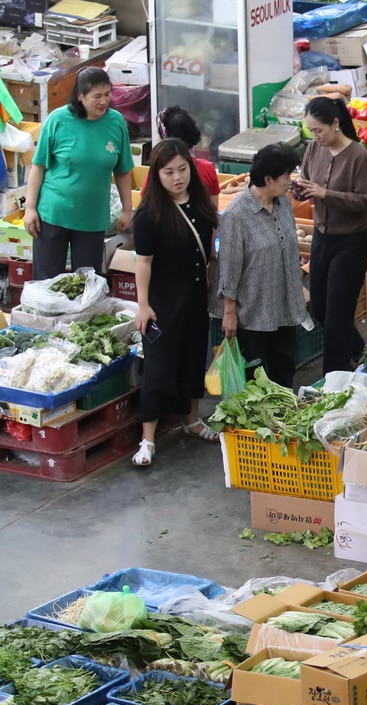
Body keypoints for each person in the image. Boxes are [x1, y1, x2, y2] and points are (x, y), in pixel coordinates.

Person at [129, 140, 220, 466]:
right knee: (160, 366)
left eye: (183, 169)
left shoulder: (200, 207)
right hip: (163, 302)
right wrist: (143, 304)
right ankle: (148, 439)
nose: (178, 177)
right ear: (157, 174)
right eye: (169, 172)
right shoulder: (149, 215)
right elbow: (144, 263)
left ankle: (192, 420)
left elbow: (209, 251)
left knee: (193, 358)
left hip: (195, 297)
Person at [26, 67, 134, 280]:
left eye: (107, 94)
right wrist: (30, 208)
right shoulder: (58, 120)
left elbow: (123, 171)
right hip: (53, 215)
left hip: (92, 220)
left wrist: (127, 209)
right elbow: (38, 166)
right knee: (46, 283)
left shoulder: (116, 122)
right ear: (80, 96)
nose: (103, 101)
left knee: (87, 283)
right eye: (96, 96)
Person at [296, 97, 367, 375]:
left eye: (319, 130)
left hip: (350, 242)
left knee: (338, 315)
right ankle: (358, 350)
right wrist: (302, 190)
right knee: (319, 306)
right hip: (320, 237)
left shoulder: (358, 156)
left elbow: (365, 202)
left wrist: (326, 194)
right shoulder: (313, 150)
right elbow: (307, 180)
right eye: (311, 131)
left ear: (336, 124)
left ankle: (333, 377)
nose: (315, 137)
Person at [217, 143, 305, 389]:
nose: (290, 180)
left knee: (284, 365)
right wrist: (229, 311)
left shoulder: (283, 202)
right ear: (268, 179)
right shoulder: (238, 214)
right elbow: (230, 265)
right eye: (286, 176)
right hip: (253, 311)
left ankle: (284, 420)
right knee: (257, 375)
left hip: (285, 306)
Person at [145, 106, 219, 204]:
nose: (177, 177)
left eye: (182, 169)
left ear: (165, 141)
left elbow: (145, 202)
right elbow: (213, 210)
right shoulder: (208, 168)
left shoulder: (160, 172)